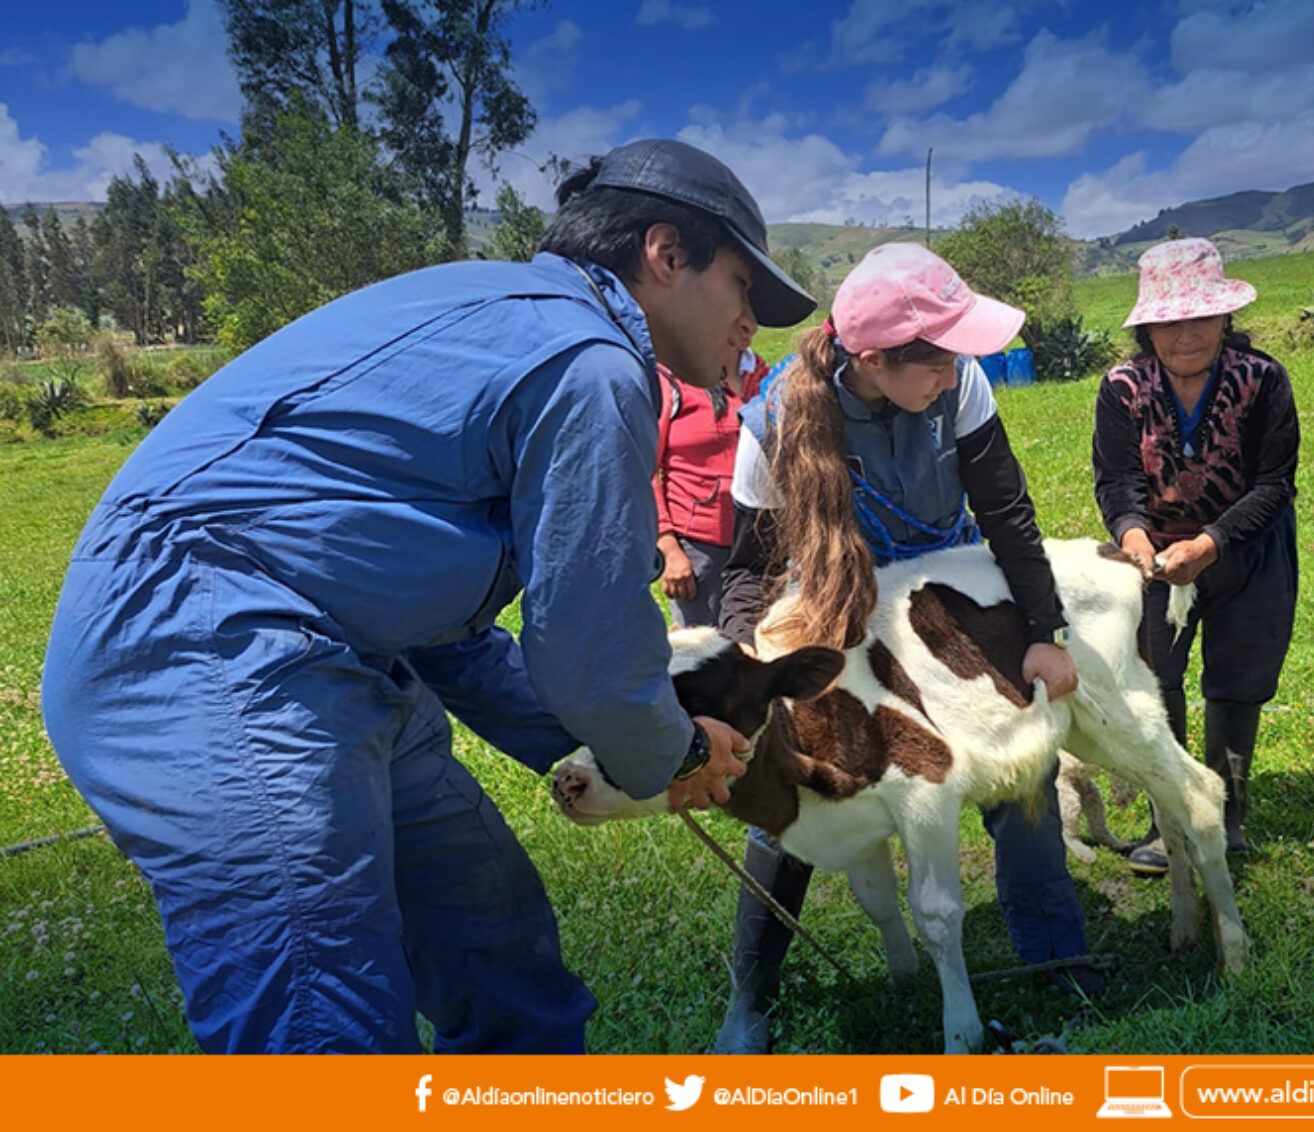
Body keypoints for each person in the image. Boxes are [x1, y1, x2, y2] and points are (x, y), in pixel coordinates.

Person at [38, 139, 816, 1054]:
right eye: (743, 289)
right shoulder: (591, 362)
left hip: (335, 650)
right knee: (323, 1027)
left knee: (498, 950)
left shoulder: (512, 316)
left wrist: (619, 748)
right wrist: (671, 750)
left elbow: (449, 633)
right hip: (203, 644)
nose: (751, 325)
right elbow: (592, 650)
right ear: (666, 253)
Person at [711, 241, 1089, 1053]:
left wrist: (1040, 633)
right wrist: (749, 677)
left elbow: (1008, 516)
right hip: (835, 623)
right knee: (785, 797)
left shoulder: (962, 384)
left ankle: (1054, 953)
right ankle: (750, 999)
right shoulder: (774, 419)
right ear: (875, 360)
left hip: (948, 610)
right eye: (935, 363)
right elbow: (745, 569)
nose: (950, 375)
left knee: (1023, 766)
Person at [1092, 238, 1300, 875]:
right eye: (1169, 322)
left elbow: (1273, 483)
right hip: (1154, 558)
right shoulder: (1123, 388)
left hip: (1247, 550)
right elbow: (1117, 480)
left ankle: (1226, 817)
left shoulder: (1261, 380)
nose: (1186, 335)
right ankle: (1172, 818)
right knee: (1157, 682)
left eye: (1201, 318)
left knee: (1238, 683)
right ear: (1148, 329)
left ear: (1224, 317)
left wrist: (1211, 544)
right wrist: (1133, 537)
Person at [654, 347, 772, 627]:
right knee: (703, 646)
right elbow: (644, 469)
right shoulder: (670, 381)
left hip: (760, 543)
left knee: (759, 642)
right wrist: (669, 547)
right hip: (700, 548)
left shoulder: (761, 374)